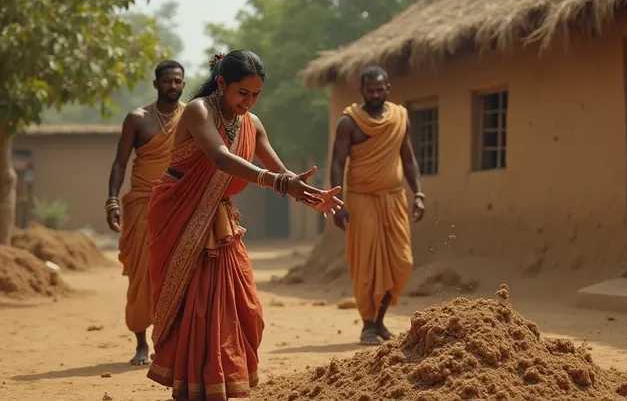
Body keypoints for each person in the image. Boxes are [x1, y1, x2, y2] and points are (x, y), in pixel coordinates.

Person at [145, 50, 342, 400]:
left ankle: (220, 382)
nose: (249, 102)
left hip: (218, 217)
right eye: (242, 94)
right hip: (179, 211)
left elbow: (283, 173)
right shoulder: (198, 111)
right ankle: (193, 387)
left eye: (255, 95)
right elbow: (221, 158)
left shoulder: (252, 123)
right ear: (221, 84)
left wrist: (312, 196)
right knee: (196, 305)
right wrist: (280, 183)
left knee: (244, 306)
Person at [330, 66, 425, 346]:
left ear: (388, 88)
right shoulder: (349, 122)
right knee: (367, 264)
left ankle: (381, 320)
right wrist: (337, 204)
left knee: (402, 262)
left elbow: (408, 159)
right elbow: (337, 162)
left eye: (379, 89)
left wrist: (419, 194)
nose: (374, 94)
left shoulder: (400, 117)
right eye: (369, 90)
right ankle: (368, 325)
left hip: (395, 198)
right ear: (362, 91)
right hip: (361, 200)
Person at [105, 60, 187, 365]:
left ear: (183, 83)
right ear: (156, 84)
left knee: (178, 271)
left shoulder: (191, 117)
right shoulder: (137, 119)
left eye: (178, 81)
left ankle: (172, 341)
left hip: (178, 203)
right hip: (141, 203)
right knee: (141, 273)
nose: (173, 86)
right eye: (167, 81)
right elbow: (119, 162)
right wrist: (112, 200)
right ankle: (141, 344)